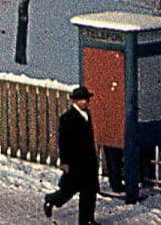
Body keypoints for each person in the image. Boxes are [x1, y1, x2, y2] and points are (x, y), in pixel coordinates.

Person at [45, 85, 99, 223]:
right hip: (75, 162)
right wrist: (64, 162)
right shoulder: (67, 118)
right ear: (74, 101)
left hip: (89, 161)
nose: (85, 102)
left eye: (86, 99)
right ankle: (51, 199)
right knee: (68, 191)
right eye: (81, 100)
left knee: (89, 192)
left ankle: (87, 221)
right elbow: (63, 143)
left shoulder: (87, 115)